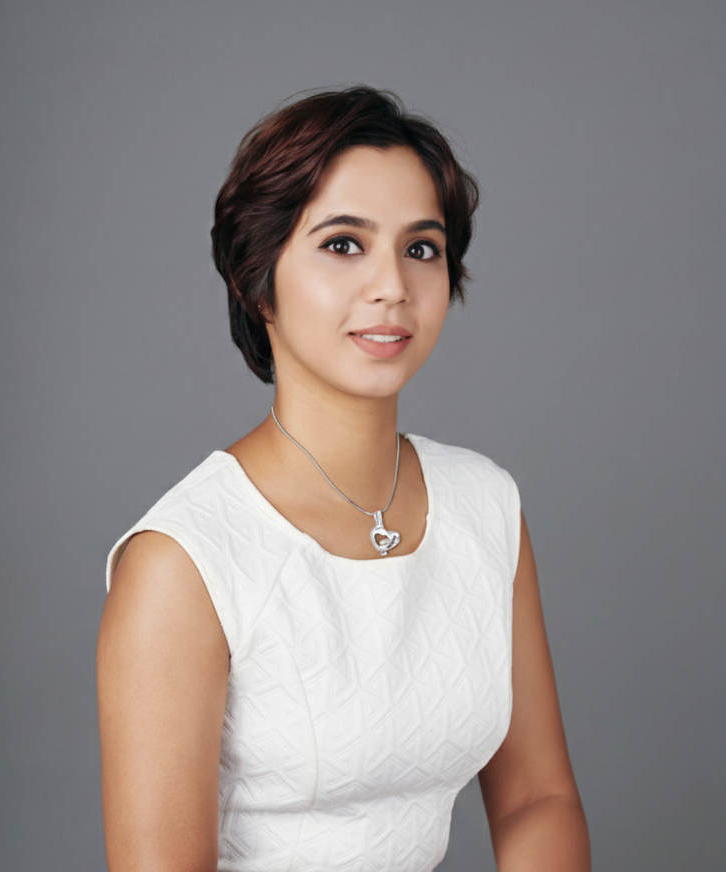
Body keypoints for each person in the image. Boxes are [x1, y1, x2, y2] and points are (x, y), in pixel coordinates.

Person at [97, 85, 591, 872]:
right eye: (343, 244)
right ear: (257, 278)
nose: (392, 285)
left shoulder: (484, 504)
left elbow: (538, 796)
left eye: (421, 248)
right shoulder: (183, 562)